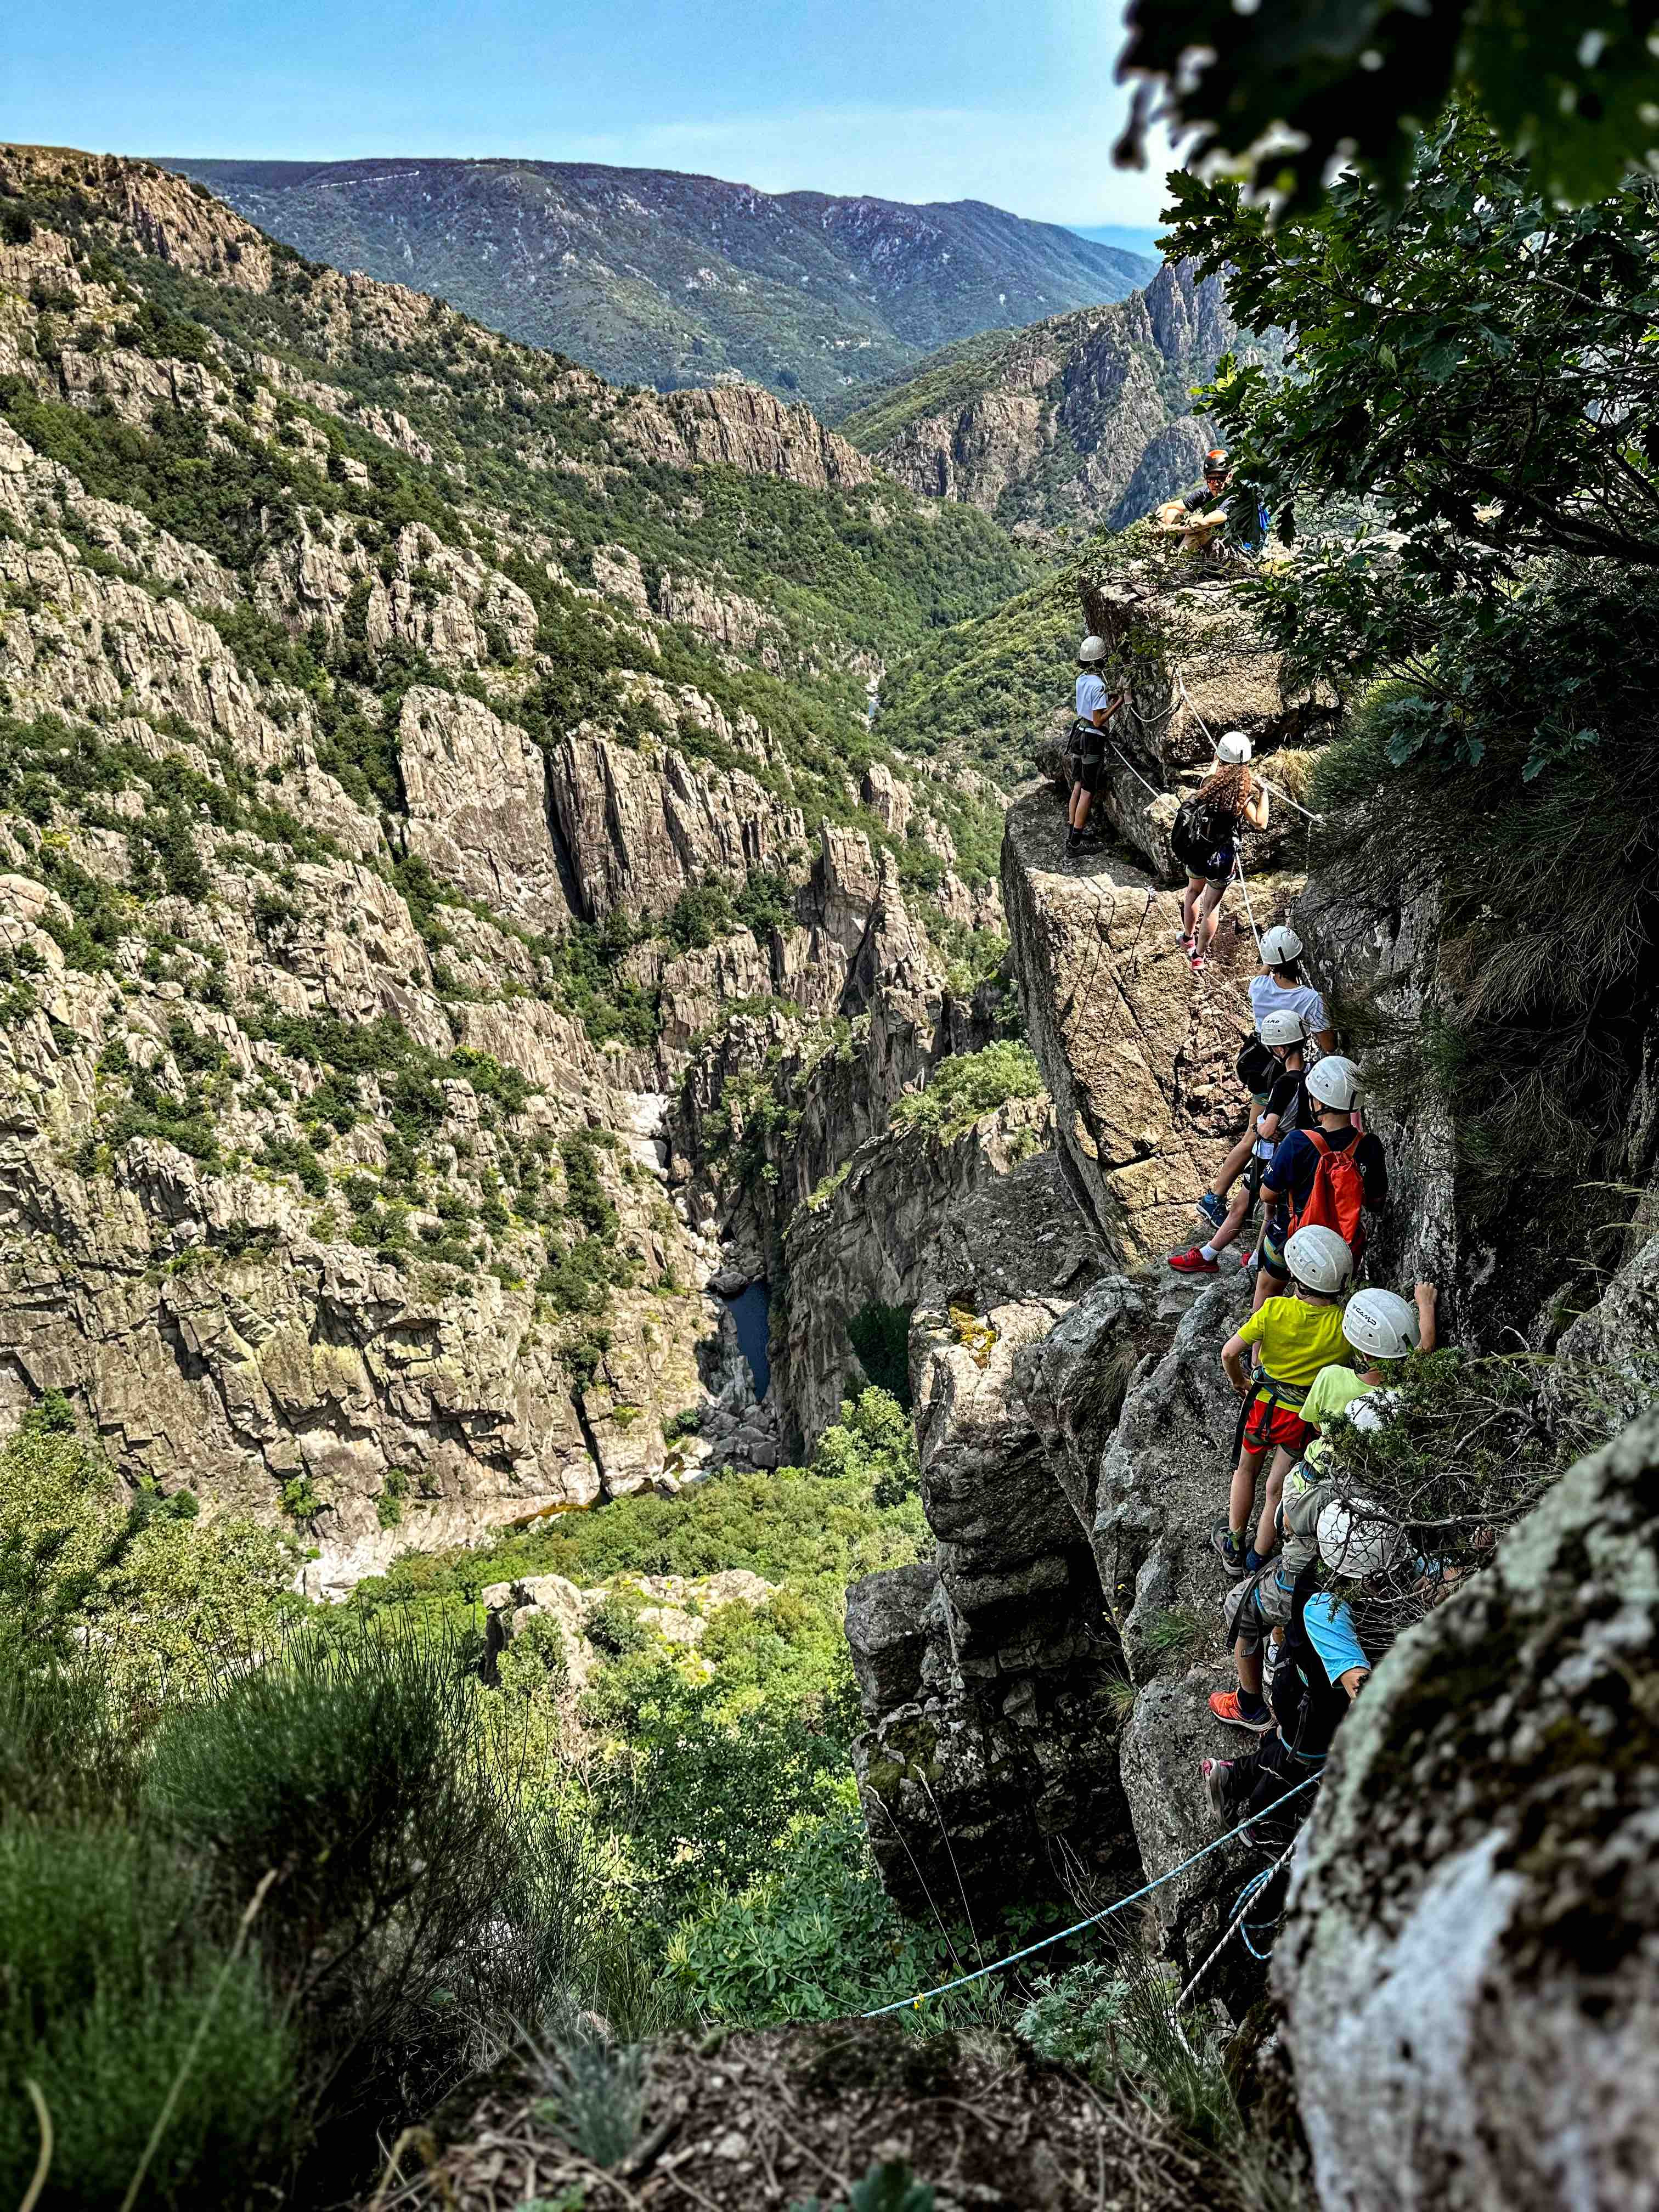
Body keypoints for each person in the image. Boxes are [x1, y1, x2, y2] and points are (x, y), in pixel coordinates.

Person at [1207, 1283, 1438, 1735]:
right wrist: (1425, 1308)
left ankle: (1250, 1704)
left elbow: (1293, 1520)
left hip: (1315, 1560)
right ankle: (1279, 1645)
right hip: (1376, 1556)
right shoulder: (1407, 1403)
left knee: (1241, 1607)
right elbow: (1424, 1357)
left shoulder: (1333, 1394)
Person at [1201, 1494, 1414, 1829]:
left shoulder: (1345, 1561)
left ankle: (1233, 1776)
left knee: (1295, 1749)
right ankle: (1262, 1828)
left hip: (1303, 1687)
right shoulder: (1326, 1611)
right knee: (1301, 1762)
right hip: (1309, 1702)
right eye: (1380, 1575)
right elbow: (1361, 1688)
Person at [1212, 1223, 1353, 1583]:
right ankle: (1259, 1557)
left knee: (1246, 1471)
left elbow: (1229, 1353)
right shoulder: (1343, 1325)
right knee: (1276, 1488)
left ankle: (1234, 1545)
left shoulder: (1274, 1310)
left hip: (1264, 1407)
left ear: (1296, 1275)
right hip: (1303, 1417)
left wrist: (1240, 1381)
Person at [1172, 1008, 1308, 1273]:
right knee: (1271, 1212)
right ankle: (1256, 1257)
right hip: (1298, 1154)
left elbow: (1267, 1129)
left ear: (1281, 1049)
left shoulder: (1284, 1083)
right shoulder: (1312, 1074)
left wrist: (1260, 1126)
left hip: (1272, 1156)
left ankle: (1208, 1255)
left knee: (1241, 1206)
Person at [1251, 1056, 1386, 1313]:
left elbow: (1267, 1194)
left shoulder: (1297, 1141)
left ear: (1320, 1102)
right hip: (1338, 1249)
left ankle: (1258, 1339)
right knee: (1322, 1310)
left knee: (1266, 1292)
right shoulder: (1370, 1146)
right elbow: (1376, 1201)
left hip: (1289, 1235)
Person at [1171, 733, 1269, 969]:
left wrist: (1216, 761)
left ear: (1221, 758)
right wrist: (1263, 792)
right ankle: (1198, 956)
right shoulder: (1241, 796)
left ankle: (1187, 937)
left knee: (1193, 892)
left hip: (1199, 850)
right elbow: (1260, 823)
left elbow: (1210, 775)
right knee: (1211, 907)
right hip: (1223, 857)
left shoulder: (1209, 785)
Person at [1066, 634, 1127, 859]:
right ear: (1100, 660)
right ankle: (1075, 844)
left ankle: (1073, 832)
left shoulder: (1082, 680)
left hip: (1078, 736)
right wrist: (1119, 702)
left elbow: (1090, 705)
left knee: (1077, 785)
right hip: (1092, 740)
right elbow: (1099, 720)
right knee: (1088, 791)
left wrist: (1110, 696)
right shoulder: (1099, 685)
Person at [1248, 926, 1334, 1054]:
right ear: (1300, 955)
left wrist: (1273, 957)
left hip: (1259, 1051)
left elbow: (1263, 973)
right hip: (1289, 1058)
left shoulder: (1257, 986)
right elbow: (1329, 1046)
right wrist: (1327, 1009)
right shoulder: (1311, 1000)